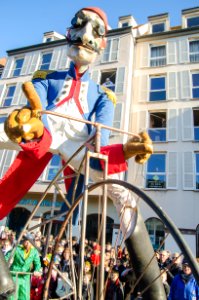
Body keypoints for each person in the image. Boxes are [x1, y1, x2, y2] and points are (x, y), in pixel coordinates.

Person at [0, 7, 165, 299]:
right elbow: (33, 91)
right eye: (79, 27)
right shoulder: (48, 75)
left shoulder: (103, 94)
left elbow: (100, 132)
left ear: (102, 44)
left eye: (95, 32)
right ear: (69, 32)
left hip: (79, 146)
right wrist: (29, 113)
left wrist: (125, 149)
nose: (85, 36)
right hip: (42, 131)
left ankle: (153, 287)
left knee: (122, 193)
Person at [9, 234, 42, 300]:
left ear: (32, 243)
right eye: (26, 241)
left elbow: (37, 263)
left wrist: (37, 270)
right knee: (13, 296)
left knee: (25, 297)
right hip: (15, 275)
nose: (27, 243)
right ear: (23, 241)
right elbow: (7, 257)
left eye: (29, 242)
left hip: (25, 277)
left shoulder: (34, 252)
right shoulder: (17, 249)